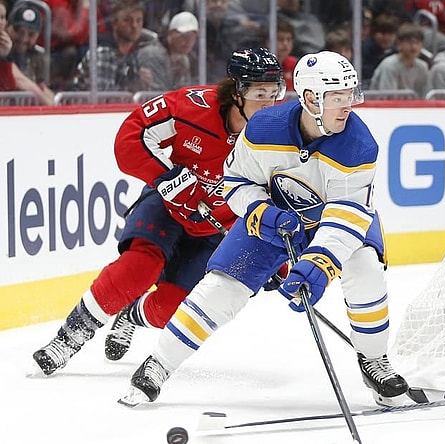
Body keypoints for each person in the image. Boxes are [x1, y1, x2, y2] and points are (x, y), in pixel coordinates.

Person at [118, 51, 416, 409]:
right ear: (309, 99)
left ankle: (373, 360)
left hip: (334, 224)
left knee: (365, 267)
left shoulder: (359, 145)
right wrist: (260, 212)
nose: (347, 106)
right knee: (222, 286)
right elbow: (236, 181)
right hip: (275, 218)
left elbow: (348, 217)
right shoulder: (263, 128)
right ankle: (159, 364)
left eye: (350, 95)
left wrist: (318, 264)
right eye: (336, 98)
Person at [30, 47, 285, 376]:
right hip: (168, 205)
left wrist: (273, 257)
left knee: (170, 310)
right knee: (138, 268)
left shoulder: (279, 136)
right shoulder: (190, 107)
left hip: (214, 227)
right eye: (258, 93)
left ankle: (131, 315)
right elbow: (130, 137)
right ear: (236, 92)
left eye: (274, 93)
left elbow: (280, 198)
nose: (268, 103)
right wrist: (167, 177)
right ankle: (69, 337)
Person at [69, 0, 156, 92]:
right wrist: (134, 87)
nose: (134, 25)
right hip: (82, 105)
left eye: (139, 20)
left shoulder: (133, 53)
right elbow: (103, 96)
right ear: (114, 23)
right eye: (127, 20)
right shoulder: (103, 52)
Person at [137, 11, 199, 91]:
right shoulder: (152, 54)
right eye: (183, 35)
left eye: (192, 36)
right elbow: (156, 93)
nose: (188, 41)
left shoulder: (186, 58)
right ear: (170, 33)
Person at [6, 2, 55, 103]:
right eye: (18, 31)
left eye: (31, 34)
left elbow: (43, 87)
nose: (24, 39)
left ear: (38, 35)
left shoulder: (40, 57)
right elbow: (18, 79)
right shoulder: (2, 52)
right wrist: (46, 101)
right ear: (7, 27)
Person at [369, 22, 430, 99]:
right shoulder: (389, 65)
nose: (414, 47)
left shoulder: (422, 66)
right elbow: (387, 98)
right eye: (409, 42)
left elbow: (426, 96)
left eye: (417, 43)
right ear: (399, 43)